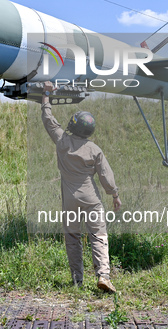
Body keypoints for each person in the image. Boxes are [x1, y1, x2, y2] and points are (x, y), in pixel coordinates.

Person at [40, 81, 121, 293]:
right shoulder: (94, 149)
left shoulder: (62, 141)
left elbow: (48, 120)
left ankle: (77, 280)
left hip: (69, 199)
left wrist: (46, 95)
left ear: (73, 125)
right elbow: (105, 176)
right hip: (91, 199)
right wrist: (114, 194)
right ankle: (103, 275)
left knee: (73, 239)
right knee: (99, 236)